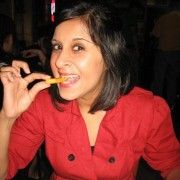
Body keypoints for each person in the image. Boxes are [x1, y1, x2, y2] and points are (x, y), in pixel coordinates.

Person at [0, 1, 180, 180]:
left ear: (109, 57)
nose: (59, 61)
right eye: (57, 47)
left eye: (78, 47)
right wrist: (6, 119)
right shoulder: (43, 104)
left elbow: (173, 166)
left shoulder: (148, 110)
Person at [151, 3, 180, 109]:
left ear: (170, 7)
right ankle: (170, 104)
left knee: (159, 78)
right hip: (177, 53)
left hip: (163, 52)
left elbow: (155, 34)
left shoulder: (164, 18)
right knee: (173, 79)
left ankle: (156, 104)